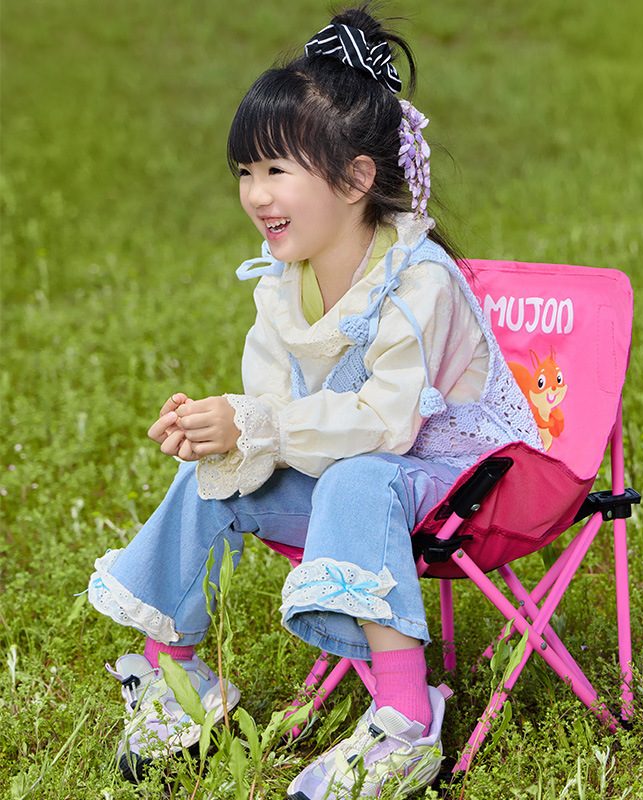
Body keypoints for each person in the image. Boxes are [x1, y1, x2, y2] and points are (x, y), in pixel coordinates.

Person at [87, 5, 541, 798]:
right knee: (213, 476)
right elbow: (271, 408)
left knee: (360, 476)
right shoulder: (283, 284)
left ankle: (405, 722)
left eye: (276, 170)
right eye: (245, 172)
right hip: (352, 477)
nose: (255, 194)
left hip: (462, 481)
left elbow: (387, 427)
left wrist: (257, 423)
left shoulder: (418, 283)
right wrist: (221, 430)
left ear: (357, 179)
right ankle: (178, 682)